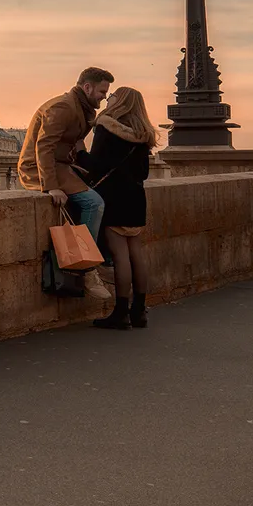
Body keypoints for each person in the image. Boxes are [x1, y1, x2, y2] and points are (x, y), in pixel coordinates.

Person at [17, 66, 114, 300]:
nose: (104, 96)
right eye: (102, 91)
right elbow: (44, 146)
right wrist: (50, 186)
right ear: (87, 87)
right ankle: (87, 268)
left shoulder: (79, 107)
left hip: (61, 167)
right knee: (94, 203)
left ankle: (96, 258)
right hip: (40, 169)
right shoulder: (63, 107)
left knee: (103, 193)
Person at [76, 87, 156, 330]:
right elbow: (143, 172)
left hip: (114, 197)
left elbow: (95, 166)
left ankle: (120, 312)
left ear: (118, 102)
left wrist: (80, 150)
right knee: (136, 255)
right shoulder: (144, 135)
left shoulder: (106, 128)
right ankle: (139, 311)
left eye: (111, 97)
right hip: (136, 197)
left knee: (120, 256)